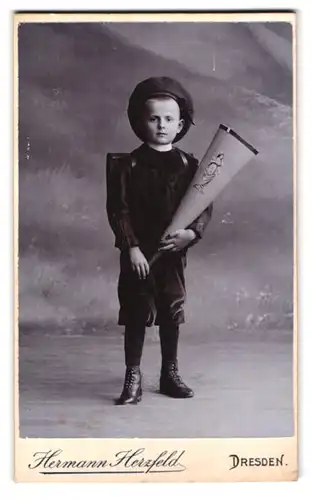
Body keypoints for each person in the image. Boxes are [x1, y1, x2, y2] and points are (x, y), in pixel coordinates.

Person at [106, 76, 213, 405]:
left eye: (169, 119)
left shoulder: (190, 165)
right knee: (136, 311)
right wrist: (132, 247)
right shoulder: (125, 165)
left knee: (171, 311)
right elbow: (118, 210)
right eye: (154, 118)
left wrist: (190, 234)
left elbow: (204, 205)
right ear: (140, 121)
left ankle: (169, 373)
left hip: (172, 252)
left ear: (181, 124)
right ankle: (133, 377)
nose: (162, 125)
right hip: (139, 254)